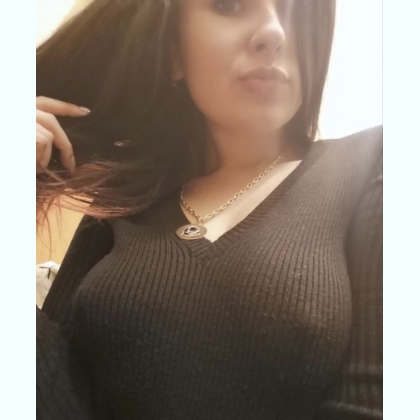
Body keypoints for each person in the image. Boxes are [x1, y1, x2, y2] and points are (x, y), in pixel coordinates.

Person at [36, 0, 383, 419]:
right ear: (174, 54)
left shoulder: (373, 161)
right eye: (229, 5)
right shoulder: (123, 195)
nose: (275, 32)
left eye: (297, 11)